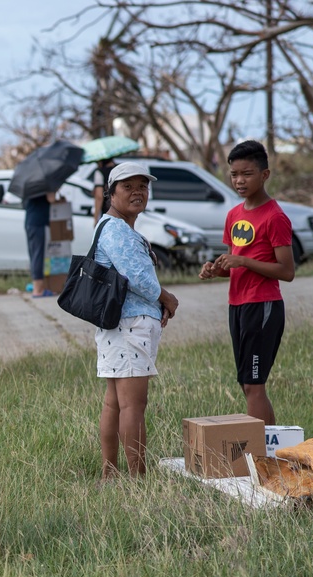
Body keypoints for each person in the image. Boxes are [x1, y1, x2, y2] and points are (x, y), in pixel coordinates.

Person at [93, 162, 179, 479]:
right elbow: (139, 279)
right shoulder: (116, 229)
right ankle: (136, 479)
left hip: (121, 324)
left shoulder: (116, 227)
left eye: (142, 186)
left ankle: (110, 473)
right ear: (110, 193)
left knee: (115, 403)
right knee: (132, 406)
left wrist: (158, 308)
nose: (137, 192)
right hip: (129, 326)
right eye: (127, 186)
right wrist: (167, 299)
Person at [199, 140, 294, 424]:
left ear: (264, 175)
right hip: (237, 305)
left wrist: (243, 262)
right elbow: (233, 261)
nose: (239, 181)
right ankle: (273, 448)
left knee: (254, 384)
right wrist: (218, 269)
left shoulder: (275, 217)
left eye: (247, 174)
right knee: (247, 384)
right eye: (234, 174)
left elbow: (287, 271)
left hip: (263, 306)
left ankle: (257, 458)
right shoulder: (234, 214)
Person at [23, 190, 65, 297]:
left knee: (34, 254)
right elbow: (51, 199)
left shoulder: (32, 186)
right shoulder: (44, 186)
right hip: (39, 222)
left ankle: (37, 287)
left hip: (30, 221)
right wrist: (54, 194)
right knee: (38, 255)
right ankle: (38, 290)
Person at [92, 157, 118, 224]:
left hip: (108, 213)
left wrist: (95, 219)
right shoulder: (119, 170)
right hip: (123, 212)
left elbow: (99, 197)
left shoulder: (100, 172)